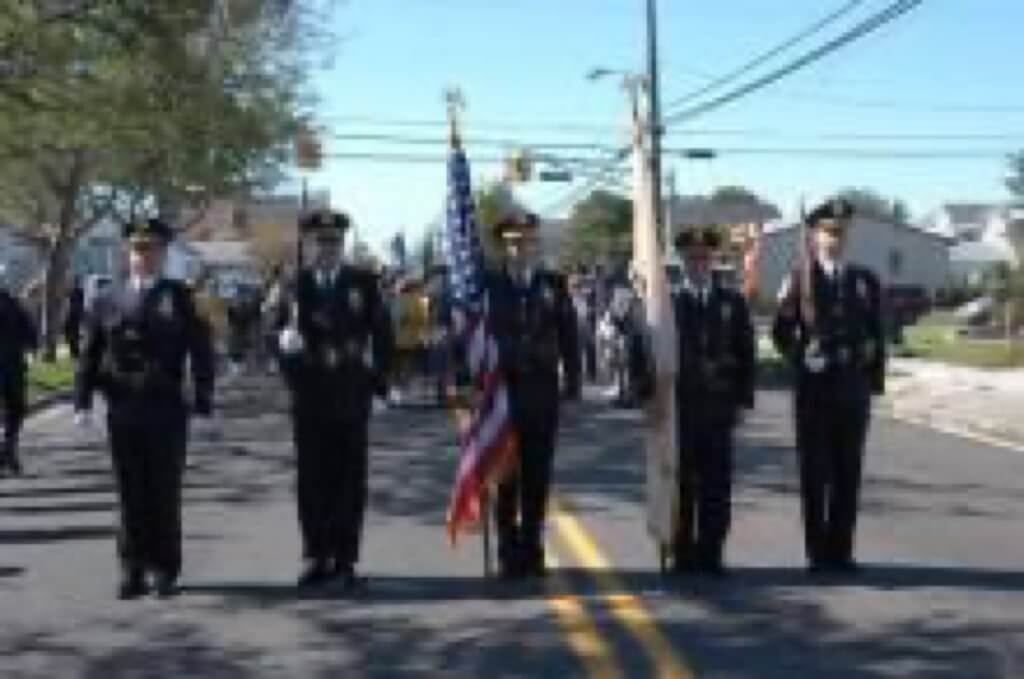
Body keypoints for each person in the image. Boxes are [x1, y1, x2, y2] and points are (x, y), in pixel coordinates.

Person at [74, 217, 215, 599]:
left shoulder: (180, 296)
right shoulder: (108, 297)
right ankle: (132, 567)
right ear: (128, 252)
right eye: (138, 248)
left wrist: (203, 402)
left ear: (164, 253)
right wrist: (82, 401)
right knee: (129, 491)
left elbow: (201, 351)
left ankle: (164, 567)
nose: (144, 256)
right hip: (123, 406)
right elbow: (91, 352)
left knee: (163, 491)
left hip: (166, 407)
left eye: (151, 249)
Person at [276, 209, 392, 590]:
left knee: (348, 479)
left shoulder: (364, 282)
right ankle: (315, 554)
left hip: (350, 393)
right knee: (311, 479)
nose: (326, 248)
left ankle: (345, 558)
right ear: (309, 244)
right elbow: (272, 331)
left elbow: (382, 335)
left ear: (342, 244)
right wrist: (284, 348)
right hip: (308, 395)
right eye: (320, 242)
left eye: (333, 242)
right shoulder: (294, 283)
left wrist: (379, 386)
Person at [772, 198, 886, 574]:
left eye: (841, 232)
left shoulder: (864, 280)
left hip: (852, 390)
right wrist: (800, 355)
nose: (835, 239)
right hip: (815, 392)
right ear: (815, 235)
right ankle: (817, 553)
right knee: (815, 473)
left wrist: (872, 375)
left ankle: (842, 550)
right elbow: (781, 332)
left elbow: (875, 333)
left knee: (848, 473)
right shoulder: (799, 278)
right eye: (828, 232)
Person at [485, 211, 580, 579]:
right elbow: (472, 335)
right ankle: (508, 551)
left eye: (526, 241)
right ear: (503, 247)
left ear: (535, 244)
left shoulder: (553, 285)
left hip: (542, 393)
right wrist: (469, 379)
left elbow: (569, 336)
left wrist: (572, 384)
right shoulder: (489, 286)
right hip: (504, 394)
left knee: (537, 478)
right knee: (506, 478)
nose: (520, 248)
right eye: (512, 242)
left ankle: (533, 547)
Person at [670, 227, 755, 576]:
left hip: (719, 408)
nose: (699, 264)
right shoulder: (668, 303)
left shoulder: (731, 303)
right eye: (692, 258)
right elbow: (643, 350)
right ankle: (682, 552)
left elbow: (745, 352)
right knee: (682, 483)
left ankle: (712, 551)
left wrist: (742, 400)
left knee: (717, 485)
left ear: (714, 261)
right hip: (681, 407)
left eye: (705, 258)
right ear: (683, 262)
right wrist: (649, 394)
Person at [0, 272, 38, 476]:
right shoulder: (12, 303)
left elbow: (29, 331)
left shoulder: (12, 303)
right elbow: (29, 332)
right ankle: (8, 448)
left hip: (12, 365)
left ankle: (8, 448)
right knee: (14, 409)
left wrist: (32, 346)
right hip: (12, 366)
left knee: (15, 409)